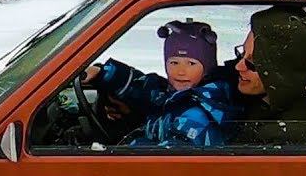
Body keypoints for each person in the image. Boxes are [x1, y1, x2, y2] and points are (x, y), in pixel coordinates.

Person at [82, 19, 237, 147]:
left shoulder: (199, 112)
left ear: (207, 68)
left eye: (191, 64)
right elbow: (144, 88)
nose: (181, 72)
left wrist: (125, 150)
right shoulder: (175, 94)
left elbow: (167, 159)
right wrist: (103, 72)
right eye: (174, 63)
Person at [231, 5, 306, 144]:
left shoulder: (280, 137)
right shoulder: (265, 97)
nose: (238, 66)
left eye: (253, 62)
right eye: (242, 54)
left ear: (280, 71)